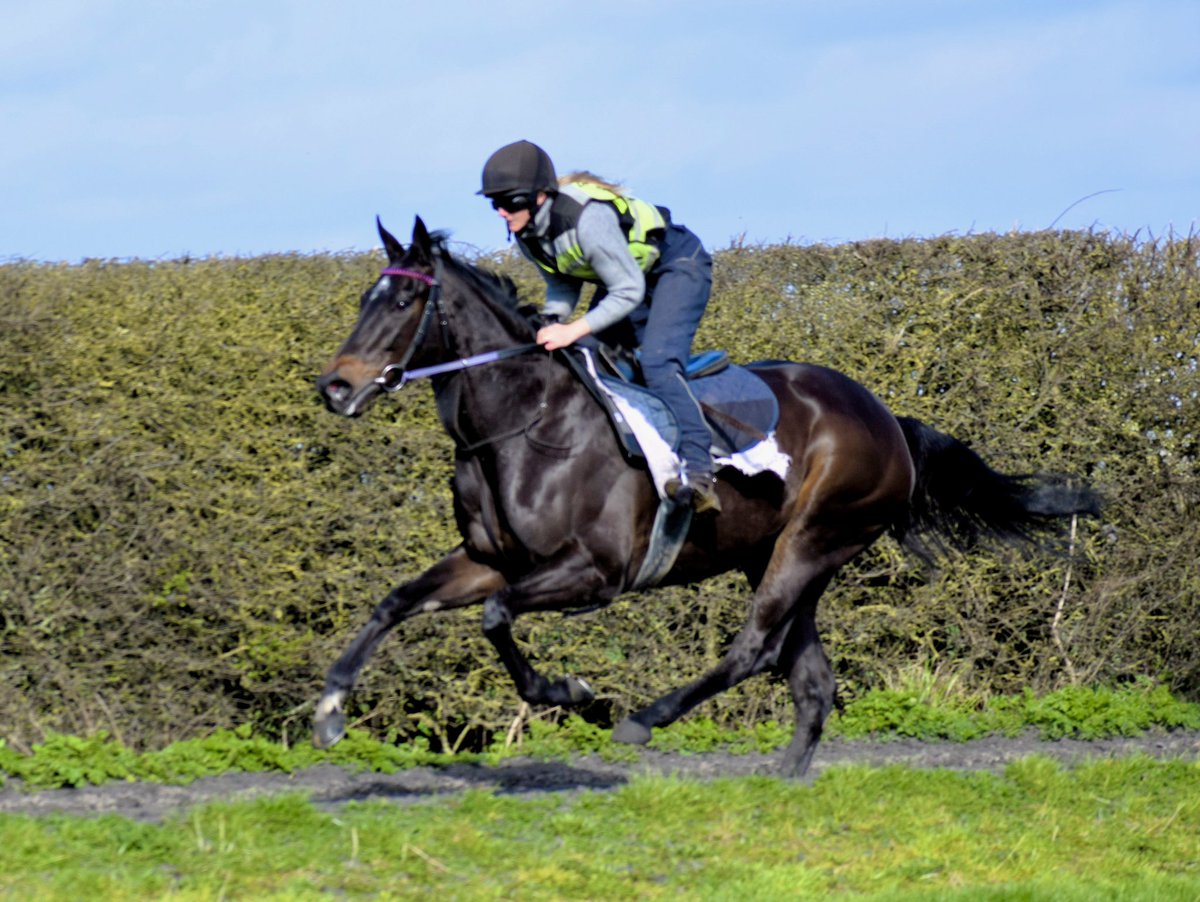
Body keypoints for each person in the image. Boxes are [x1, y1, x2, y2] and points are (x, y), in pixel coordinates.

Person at [478, 140, 721, 513]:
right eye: (494, 203)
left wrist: (572, 329)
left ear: (540, 197)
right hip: (628, 279)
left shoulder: (588, 220)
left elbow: (628, 290)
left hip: (675, 268)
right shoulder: (528, 234)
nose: (500, 212)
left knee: (657, 361)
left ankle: (700, 469)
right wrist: (552, 321)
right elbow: (563, 279)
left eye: (509, 202)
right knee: (583, 357)